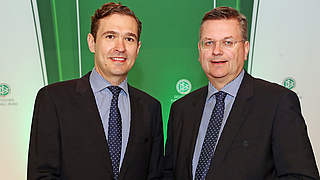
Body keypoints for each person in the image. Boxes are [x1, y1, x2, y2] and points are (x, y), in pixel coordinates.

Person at [163, 6, 319, 180]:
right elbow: (170, 173)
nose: (216, 51)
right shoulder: (181, 109)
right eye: (209, 43)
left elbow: (301, 176)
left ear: (245, 49)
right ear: (199, 50)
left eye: (228, 42)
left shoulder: (277, 102)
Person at [28, 2, 163, 180]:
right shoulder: (53, 99)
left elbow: (155, 176)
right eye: (110, 36)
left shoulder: (150, 108)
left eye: (129, 39)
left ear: (137, 48)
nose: (120, 47)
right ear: (92, 43)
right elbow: (41, 174)